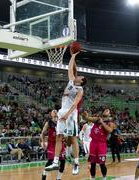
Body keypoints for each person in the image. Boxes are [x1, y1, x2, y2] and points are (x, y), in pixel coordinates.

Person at [47, 46, 87, 175]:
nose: (77, 76)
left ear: (81, 81)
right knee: (59, 137)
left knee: (73, 138)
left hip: (71, 114)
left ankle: (76, 163)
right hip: (62, 112)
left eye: (80, 76)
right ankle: (55, 162)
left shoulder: (80, 90)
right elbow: (70, 68)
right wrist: (73, 56)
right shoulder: (71, 82)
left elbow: (75, 104)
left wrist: (67, 115)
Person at [82, 108, 115, 180]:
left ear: (109, 114)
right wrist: (85, 115)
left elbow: (110, 130)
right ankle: (92, 178)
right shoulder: (97, 119)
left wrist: (102, 122)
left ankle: (104, 178)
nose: (106, 111)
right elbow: (87, 118)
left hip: (102, 144)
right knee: (92, 163)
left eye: (107, 110)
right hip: (93, 143)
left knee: (102, 164)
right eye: (105, 110)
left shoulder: (110, 122)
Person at [41, 110, 66, 180]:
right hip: (52, 144)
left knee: (63, 161)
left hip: (60, 143)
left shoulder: (61, 121)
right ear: (51, 114)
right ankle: (44, 174)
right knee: (51, 161)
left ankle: (58, 178)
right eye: (53, 111)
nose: (55, 112)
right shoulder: (48, 123)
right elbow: (43, 133)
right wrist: (43, 143)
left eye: (56, 111)